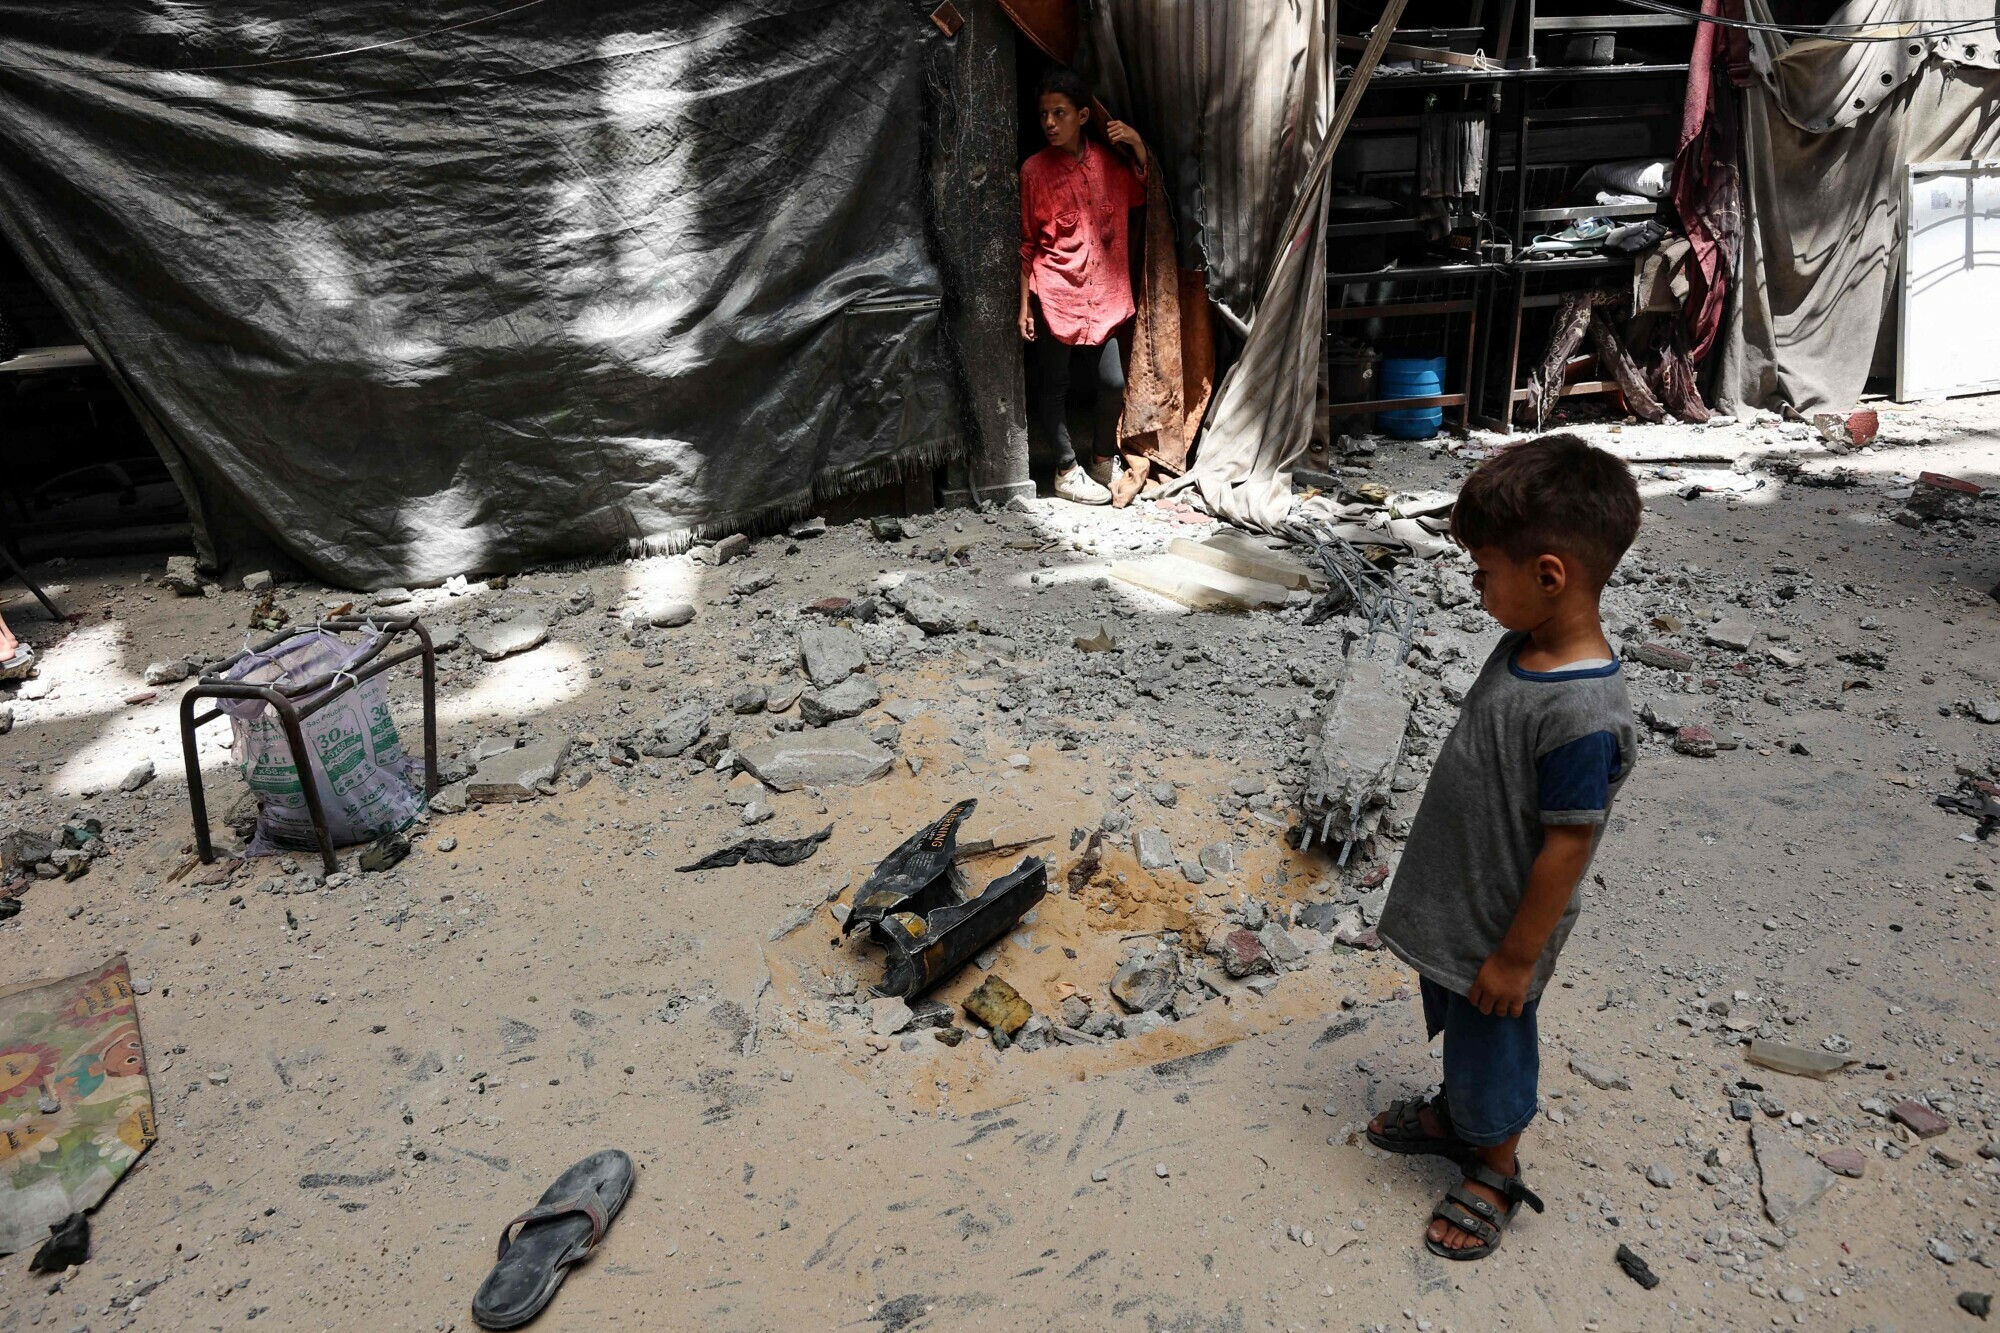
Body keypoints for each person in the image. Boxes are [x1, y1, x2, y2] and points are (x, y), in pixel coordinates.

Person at [1366, 434, 1643, 1261]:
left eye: (1485, 571)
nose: (1478, 587)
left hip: (1499, 926)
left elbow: (1568, 844)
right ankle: (1460, 1114)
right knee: (1460, 1020)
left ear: (1549, 574)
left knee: (1494, 1031)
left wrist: (1517, 958)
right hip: (1462, 900)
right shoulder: (1528, 646)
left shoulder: (1583, 713)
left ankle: (1494, 1164)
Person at [1017, 67, 1146, 506]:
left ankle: (1101, 460)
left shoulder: (1109, 165)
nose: (1050, 122)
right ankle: (1065, 470)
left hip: (1104, 294)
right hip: (1056, 291)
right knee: (1053, 384)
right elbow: (1028, 243)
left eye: (1060, 113)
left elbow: (1144, 194)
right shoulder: (1034, 171)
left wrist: (1138, 146)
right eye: (1044, 115)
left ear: (1084, 115)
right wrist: (1025, 305)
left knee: (1111, 383)